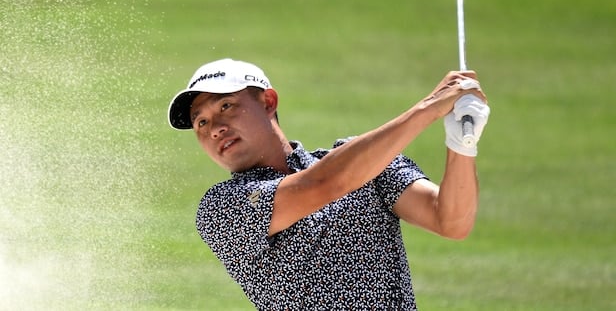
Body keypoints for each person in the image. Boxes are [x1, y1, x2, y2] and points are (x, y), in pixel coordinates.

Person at [168, 58, 490, 310]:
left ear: (268, 102)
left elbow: (450, 221)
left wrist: (462, 144)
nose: (215, 128)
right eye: (201, 122)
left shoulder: (366, 162)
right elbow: (323, 184)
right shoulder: (221, 208)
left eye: (226, 106)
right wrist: (430, 108)